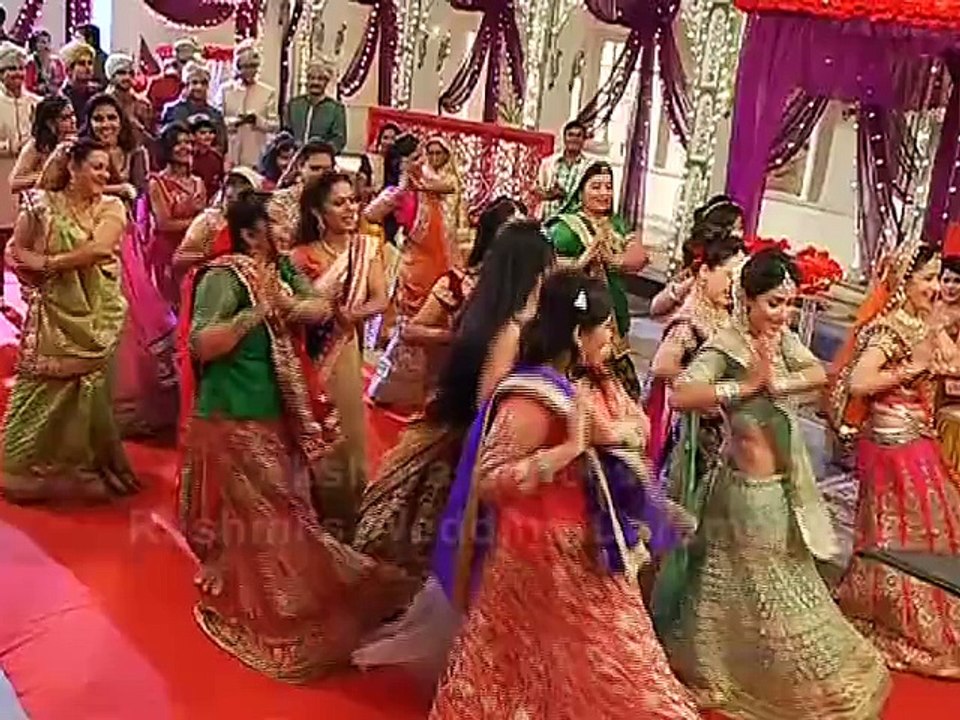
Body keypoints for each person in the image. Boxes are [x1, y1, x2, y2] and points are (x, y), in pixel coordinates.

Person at [429, 271, 699, 720]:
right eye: (605, 327)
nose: (611, 337)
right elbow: (490, 480)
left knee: (615, 660)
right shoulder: (531, 399)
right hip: (539, 554)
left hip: (589, 546)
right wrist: (565, 451)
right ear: (578, 334)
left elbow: (629, 429)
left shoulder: (583, 383)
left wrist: (613, 434)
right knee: (545, 666)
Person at [178, 189, 412, 680]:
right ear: (250, 234)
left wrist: (287, 303)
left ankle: (269, 586)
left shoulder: (282, 268)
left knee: (278, 507)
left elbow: (319, 308)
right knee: (274, 510)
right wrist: (255, 313)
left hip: (277, 410)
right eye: (277, 218)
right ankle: (282, 609)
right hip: (233, 411)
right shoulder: (224, 277)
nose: (288, 223)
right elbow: (202, 343)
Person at [657, 248, 890, 719]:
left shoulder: (781, 340)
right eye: (774, 303)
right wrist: (741, 389)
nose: (784, 314)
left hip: (779, 486)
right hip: (743, 489)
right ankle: (732, 669)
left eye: (790, 303)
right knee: (753, 585)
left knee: (768, 579)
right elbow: (680, 393)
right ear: (747, 299)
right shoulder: (726, 345)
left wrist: (777, 384)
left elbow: (819, 373)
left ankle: (744, 664)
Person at [353, 205, 545, 580]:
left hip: (471, 418)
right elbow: (413, 333)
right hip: (471, 425)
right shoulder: (474, 296)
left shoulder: (507, 307)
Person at [830, 238, 960, 678]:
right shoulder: (890, 329)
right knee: (901, 528)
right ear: (904, 281)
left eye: (938, 279)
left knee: (935, 521)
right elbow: (860, 383)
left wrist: (936, 350)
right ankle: (893, 616)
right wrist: (913, 367)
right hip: (892, 439)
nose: (935, 287)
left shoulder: (923, 323)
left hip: (917, 432)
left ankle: (925, 616)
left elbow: (947, 365)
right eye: (927, 279)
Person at [1, 138, 137, 503]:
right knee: (39, 388)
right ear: (73, 169)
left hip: (98, 312)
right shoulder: (40, 205)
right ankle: (24, 469)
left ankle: (83, 467)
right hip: (53, 312)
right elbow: (15, 251)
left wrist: (46, 264)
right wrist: (31, 272)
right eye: (96, 167)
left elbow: (99, 249)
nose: (104, 175)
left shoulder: (111, 206)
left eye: (107, 168)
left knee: (91, 391)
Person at [289, 172, 388, 538]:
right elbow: (292, 309)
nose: (350, 209)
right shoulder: (301, 256)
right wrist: (317, 308)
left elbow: (380, 298)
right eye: (339, 203)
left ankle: (345, 516)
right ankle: (309, 515)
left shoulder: (366, 249)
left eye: (353, 201)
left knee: (347, 432)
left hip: (344, 352)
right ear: (319, 212)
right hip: (308, 358)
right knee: (311, 431)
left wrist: (352, 314)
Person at [644, 198, 744, 481]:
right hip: (689, 422)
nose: (733, 285)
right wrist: (702, 394)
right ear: (705, 272)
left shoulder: (726, 311)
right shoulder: (691, 321)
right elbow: (663, 365)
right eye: (729, 276)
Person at [366, 135, 462, 408]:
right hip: (415, 269)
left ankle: (432, 393)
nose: (430, 160)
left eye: (436, 154)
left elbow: (450, 193)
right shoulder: (405, 191)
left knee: (439, 326)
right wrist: (401, 188)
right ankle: (395, 392)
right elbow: (370, 214)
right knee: (411, 327)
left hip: (444, 268)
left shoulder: (446, 187)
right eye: (426, 154)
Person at [548, 160, 649, 399]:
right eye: (596, 187)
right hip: (579, 318)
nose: (604, 193)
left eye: (608, 187)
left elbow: (640, 257)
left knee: (623, 394)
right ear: (580, 190)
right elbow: (550, 269)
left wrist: (614, 262)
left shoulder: (617, 224)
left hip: (614, 318)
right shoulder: (565, 228)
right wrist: (585, 259)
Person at [145, 121, 205, 307]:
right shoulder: (157, 183)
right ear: (167, 148)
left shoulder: (198, 182)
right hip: (166, 255)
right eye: (178, 143)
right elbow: (164, 224)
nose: (185, 147)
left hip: (193, 252)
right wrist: (198, 221)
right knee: (168, 309)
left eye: (188, 142)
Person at [0, 42, 40, 306]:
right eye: (9, 69)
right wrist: (8, 146)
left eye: (19, 68)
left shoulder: (35, 103)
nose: (16, 74)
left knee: (29, 237)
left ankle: (30, 289)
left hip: (29, 179)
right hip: (1, 178)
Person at [174, 166, 262, 272]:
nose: (232, 191)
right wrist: (212, 258)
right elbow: (179, 261)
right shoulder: (208, 222)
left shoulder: (258, 225)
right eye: (230, 185)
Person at [215, 40, 279, 169]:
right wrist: (235, 121)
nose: (249, 70)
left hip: (256, 153)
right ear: (238, 67)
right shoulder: (225, 90)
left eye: (253, 66)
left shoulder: (267, 92)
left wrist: (257, 121)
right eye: (245, 66)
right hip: (230, 152)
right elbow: (216, 120)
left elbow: (275, 125)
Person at [267, 139, 335, 250]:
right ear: (300, 167)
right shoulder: (280, 201)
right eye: (315, 168)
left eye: (327, 170)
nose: (321, 174)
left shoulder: (339, 202)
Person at [9, 94, 76, 194]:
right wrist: (46, 175)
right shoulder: (36, 146)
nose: (73, 121)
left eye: (73, 115)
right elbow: (15, 182)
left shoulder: (80, 143)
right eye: (65, 118)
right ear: (50, 123)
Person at [160, 62, 226, 155]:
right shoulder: (173, 110)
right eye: (194, 82)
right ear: (186, 86)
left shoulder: (216, 115)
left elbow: (222, 146)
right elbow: (166, 143)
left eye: (203, 83)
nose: (199, 87)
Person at [283, 57, 346, 151]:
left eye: (320, 79)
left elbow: (339, 140)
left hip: (322, 157)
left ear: (326, 82)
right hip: (294, 156)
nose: (315, 82)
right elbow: (285, 133)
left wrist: (322, 152)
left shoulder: (336, 109)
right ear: (307, 80)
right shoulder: (294, 105)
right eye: (312, 78)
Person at [936, 225, 960, 472]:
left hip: (949, 385)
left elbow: (956, 362)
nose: (951, 287)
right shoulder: (927, 305)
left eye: (957, 281)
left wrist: (938, 330)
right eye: (946, 280)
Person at [535, 119, 591, 220]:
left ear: (584, 140)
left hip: (574, 221)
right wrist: (551, 194)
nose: (574, 139)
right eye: (570, 135)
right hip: (549, 219)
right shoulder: (548, 163)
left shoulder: (588, 167)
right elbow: (537, 191)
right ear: (564, 138)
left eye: (578, 136)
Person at [104, 53, 154, 148]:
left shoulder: (143, 104)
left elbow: (150, 136)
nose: (127, 77)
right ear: (111, 75)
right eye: (121, 73)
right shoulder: (102, 103)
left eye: (131, 73)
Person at [187, 113, 224, 202]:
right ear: (192, 136)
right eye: (202, 133)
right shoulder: (187, 157)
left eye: (211, 132)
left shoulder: (217, 157)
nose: (208, 136)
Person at [59, 40, 100, 119]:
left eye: (90, 63)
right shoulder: (60, 97)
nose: (88, 68)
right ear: (69, 69)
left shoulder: (97, 93)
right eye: (81, 63)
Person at [24, 29, 66, 97]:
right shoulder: (30, 63)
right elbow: (28, 86)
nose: (46, 45)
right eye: (42, 42)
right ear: (35, 45)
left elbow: (62, 81)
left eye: (48, 42)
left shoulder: (57, 62)